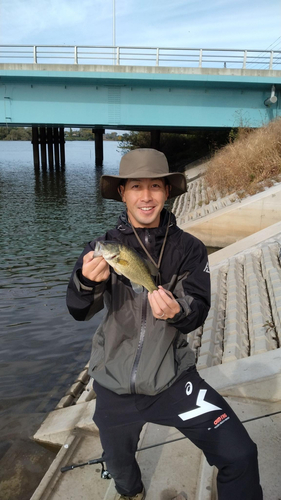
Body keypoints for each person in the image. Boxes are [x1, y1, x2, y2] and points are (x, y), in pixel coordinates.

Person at [66, 148, 263, 500]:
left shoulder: (189, 249)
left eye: (155, 186)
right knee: (120, 468)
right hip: (112, 385)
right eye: (136, 186)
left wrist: (177, 312)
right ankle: (132, 491)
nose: (146, 196)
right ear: (122, 193)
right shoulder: (102, 248)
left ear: (167, 192)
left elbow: (198, 310)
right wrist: (86, 282)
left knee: (241, 454)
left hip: (173, 379)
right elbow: (79, 310)